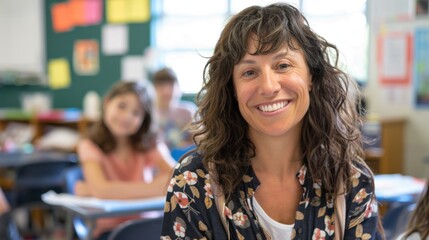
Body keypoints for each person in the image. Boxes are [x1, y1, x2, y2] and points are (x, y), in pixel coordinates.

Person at [161, 3, 382, 240]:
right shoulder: (194, 181)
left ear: (311, 77)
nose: (268, 86)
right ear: (232, 89)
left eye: (283, 66)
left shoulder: (350, 180)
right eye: (249, 72)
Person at [75, 81, 175, 240]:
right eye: (121, 106)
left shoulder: (148, 142)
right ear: (107, 102)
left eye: (136, 113)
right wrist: (156, 188)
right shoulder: (89, 145)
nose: (127, 116)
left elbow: (176, 178)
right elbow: (101, 190)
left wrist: (96, 190)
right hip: (109, 230)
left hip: (149, 225)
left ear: (144, 119)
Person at [151, 67, 196, 158]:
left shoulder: (188, 111)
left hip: (184, 160)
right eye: (161, 86)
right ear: (154, 88)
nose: (167, 91)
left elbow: (200, 140)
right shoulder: (148, 114)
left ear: (178, 87)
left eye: (171, 85)